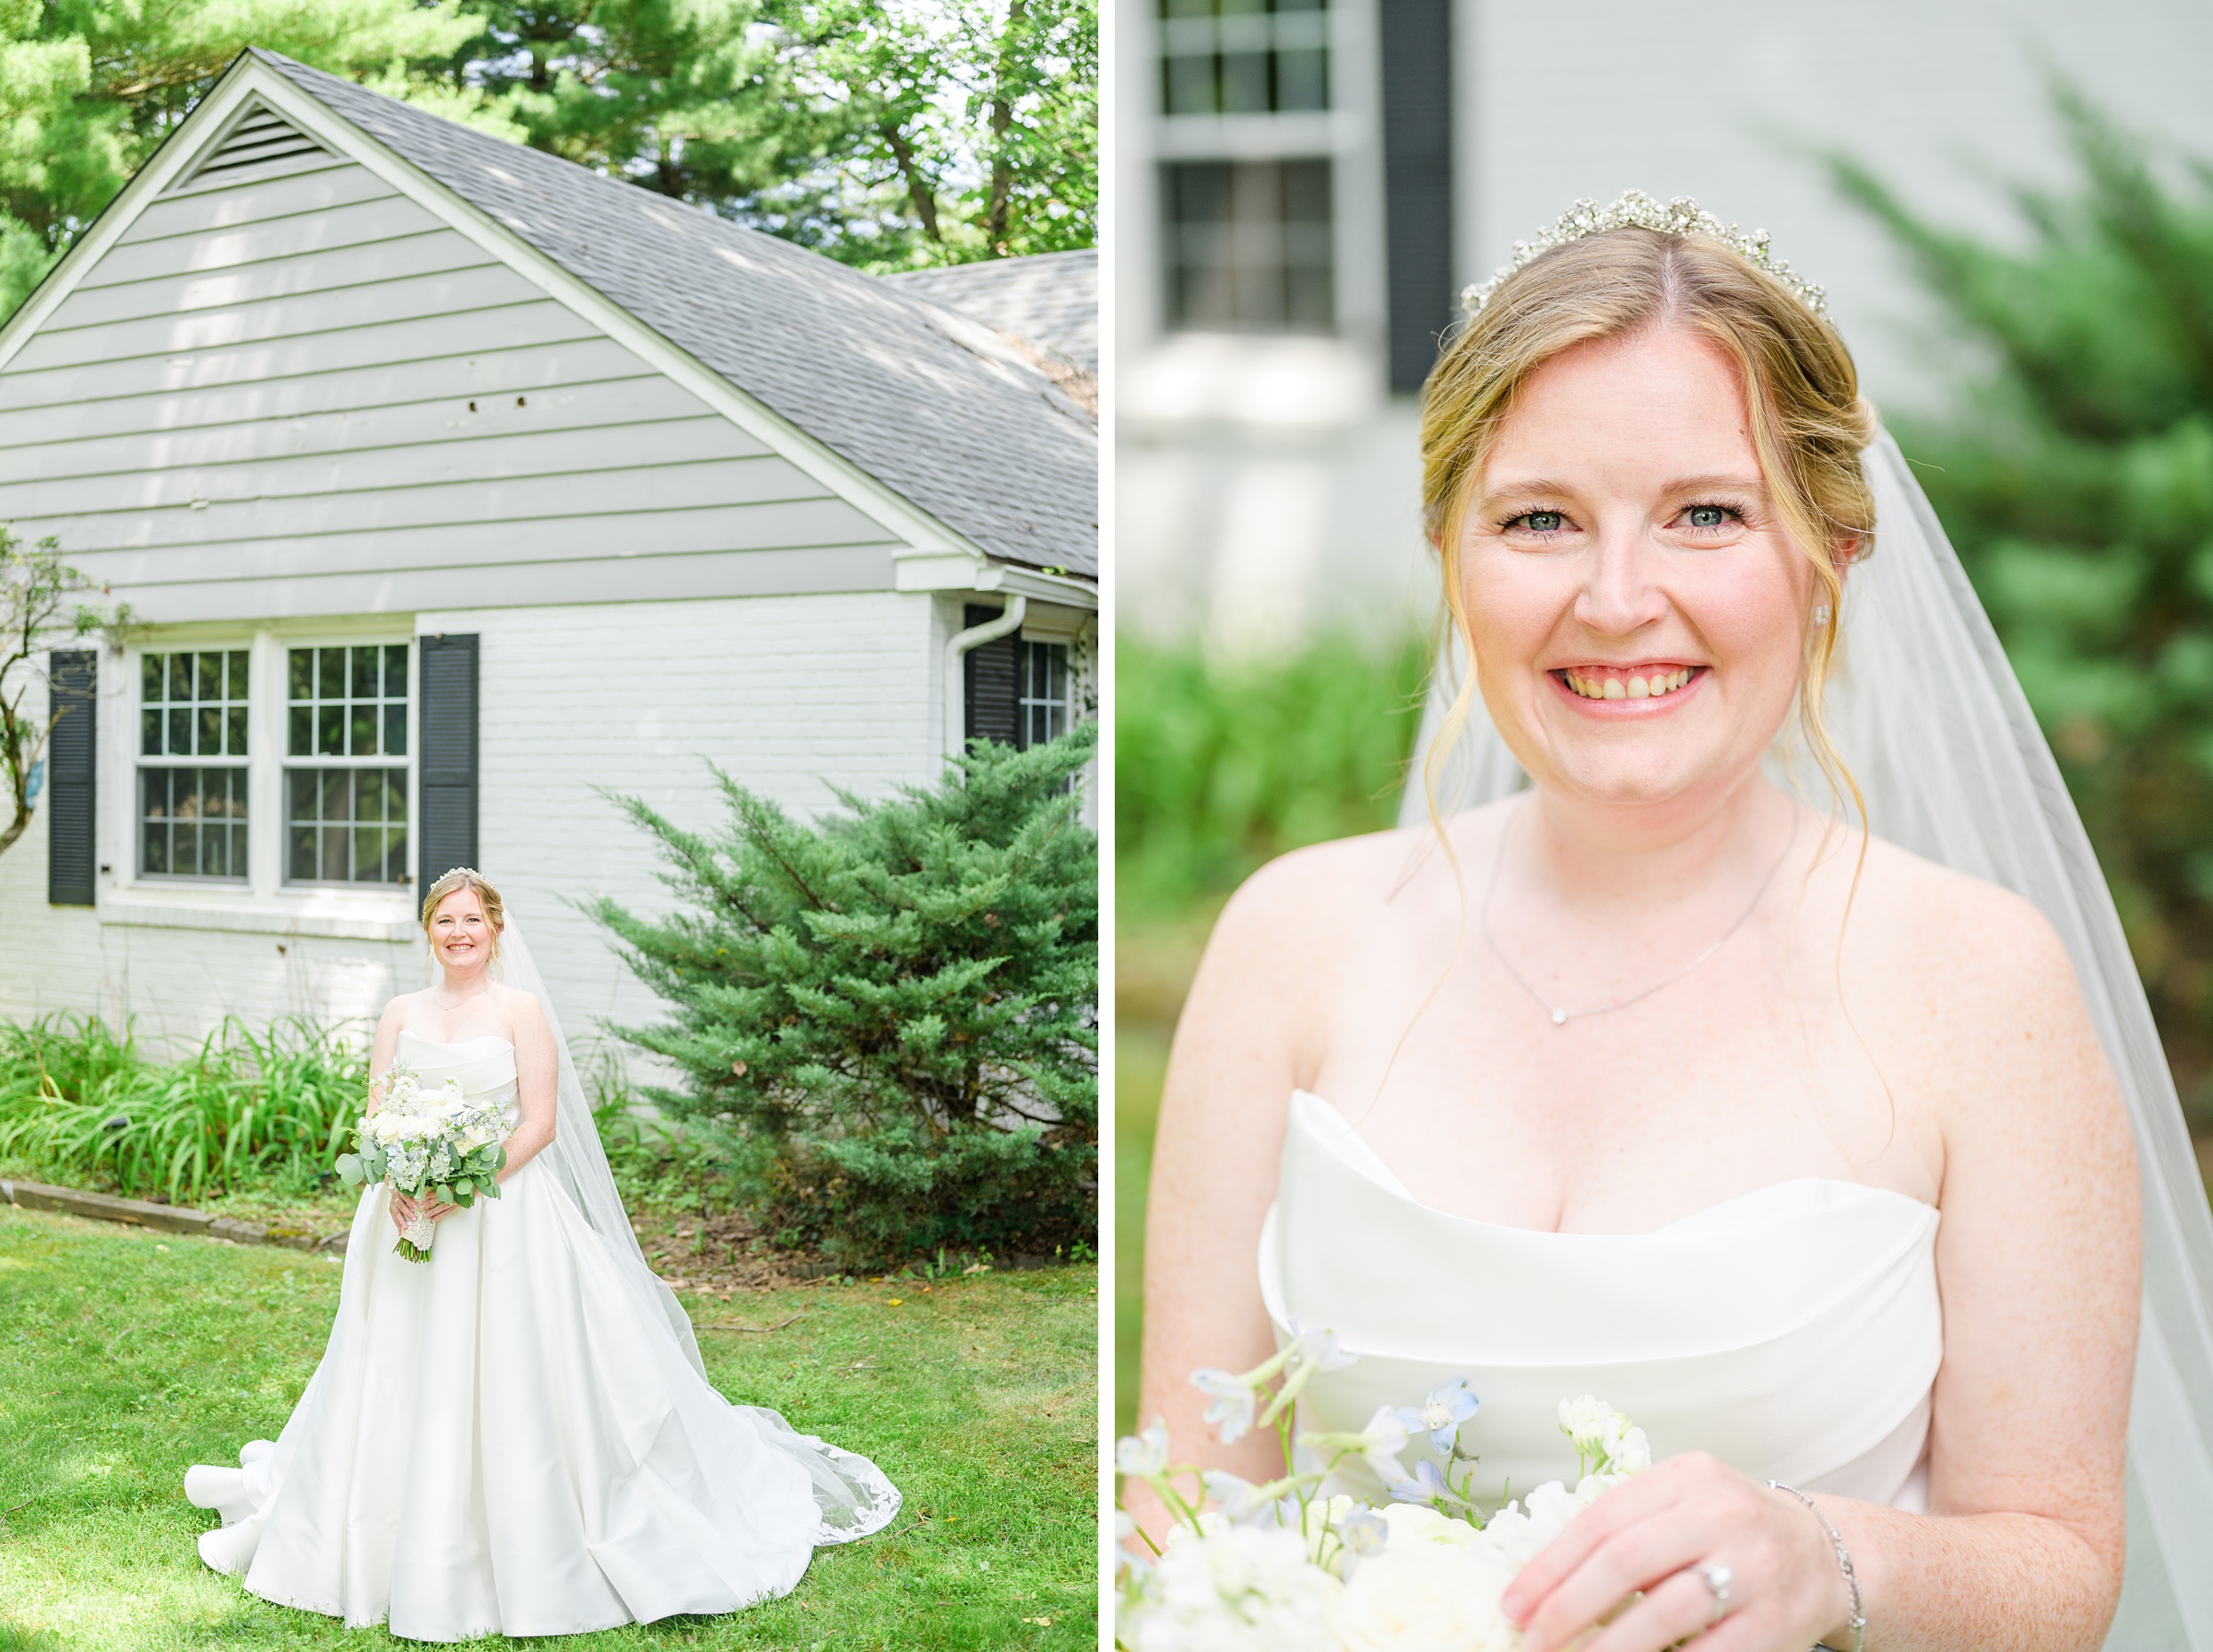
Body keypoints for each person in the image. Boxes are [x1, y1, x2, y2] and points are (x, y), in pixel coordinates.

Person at [1135, 197, 2213, 1649]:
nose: (1617, 599)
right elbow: (1179, 1516)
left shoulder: (1978, 982)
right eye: (1539, 520)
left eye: (1707, 512)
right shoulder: (1294, 942)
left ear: (1830, 555)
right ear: (1453, 549)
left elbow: (2061, 1568)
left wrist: (1831, 1558)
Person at [185, 867, 897, 1641]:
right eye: (444, 921)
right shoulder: (400, 1012)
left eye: (472, 920)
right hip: (403, 1217)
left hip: (501, 1213)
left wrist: (465, 1182)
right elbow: (379, 1113)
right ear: (429, 931)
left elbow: (539, 1123)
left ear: (495, 929)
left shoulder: (520, 1011)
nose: (458, 934)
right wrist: (396, 1179)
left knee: (511, 1366)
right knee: (391, 1361)